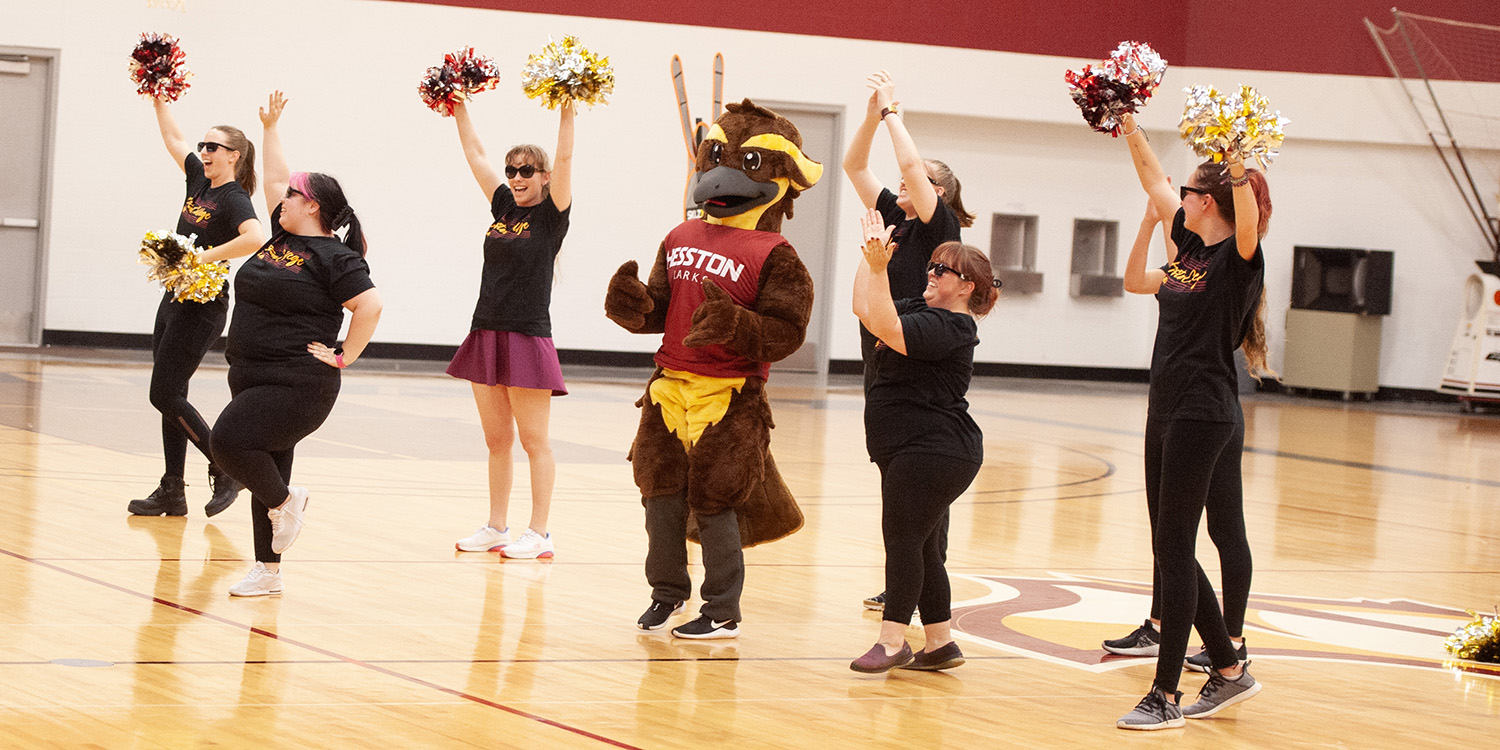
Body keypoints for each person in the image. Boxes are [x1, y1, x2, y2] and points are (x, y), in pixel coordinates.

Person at [1113, 111, 1271, 730]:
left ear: (1208, 202)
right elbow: (1153, 179)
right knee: (1171, 544)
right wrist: (1127, 125)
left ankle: (1166, 694)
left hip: (1205, 412)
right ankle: (1230, 672)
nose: (1177, 197)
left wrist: (1235, 161)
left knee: (1175, 547)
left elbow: (1249, 215)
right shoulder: (1187, 256)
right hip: (1165, 409)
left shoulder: (1237, 257)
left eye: (1188, 194)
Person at [211, 91, 382, 597]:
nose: (280, 199)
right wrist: (269, 128)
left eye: (291, 196)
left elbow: (370, 306)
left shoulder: (335, 256)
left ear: (311, 206)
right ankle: (268, 571)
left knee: (230, 443)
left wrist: (344, 354)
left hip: (297, 381)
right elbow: (271, 177)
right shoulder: (281, 238)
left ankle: (288, 504)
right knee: (268, 461)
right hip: (250, 371)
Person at [842, 70, 976, 612]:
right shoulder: (894, 215)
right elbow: (854, 164)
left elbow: (911, 167)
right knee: (893, 460)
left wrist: (894, 113)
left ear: (935, 192)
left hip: (917, 344)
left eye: (910, 183)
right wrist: (872, 117)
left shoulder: (939, 225)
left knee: (921, 463)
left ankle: (919, 575)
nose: (899, 186)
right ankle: (907, 570)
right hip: (881, 345)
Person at [848, 209, 999, 673]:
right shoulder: (921, 308)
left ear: (967, 286)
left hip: (934, 448)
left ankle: (893, 641)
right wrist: (871, 259)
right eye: (930, 266)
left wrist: (878, 269)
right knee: (924, 545)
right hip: (910, 445)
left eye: (942, 270)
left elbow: (888, 330)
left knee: (904, 539)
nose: (930, 274)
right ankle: (940, 643)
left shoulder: (952, 327)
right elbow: (866, 309)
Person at [446, 98, 575, 560]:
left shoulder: (551, 215)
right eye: (512, 171)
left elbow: (564, 159)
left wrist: (567, 111)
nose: (517, 178)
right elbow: (476, 155)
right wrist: (457, 108)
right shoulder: (503, 206)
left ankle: (539, 533)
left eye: (527, 171)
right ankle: (496, 526)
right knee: (496, 440)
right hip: (486, 331)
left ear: (544, 178)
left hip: (526, 334)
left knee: (533, 440)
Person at [128, 96, 264, 518]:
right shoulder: (199, 182)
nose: (203, 153)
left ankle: (226, 470)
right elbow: (173, 138)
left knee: (163, 393)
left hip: (203, 305)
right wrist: (158, 97)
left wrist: (200, 258)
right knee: (174, 395)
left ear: (234, 157)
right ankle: (173, 489)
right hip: (175, 297)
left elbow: (255, 238)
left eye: (213, 148)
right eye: (203, 146)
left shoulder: (234, 198)